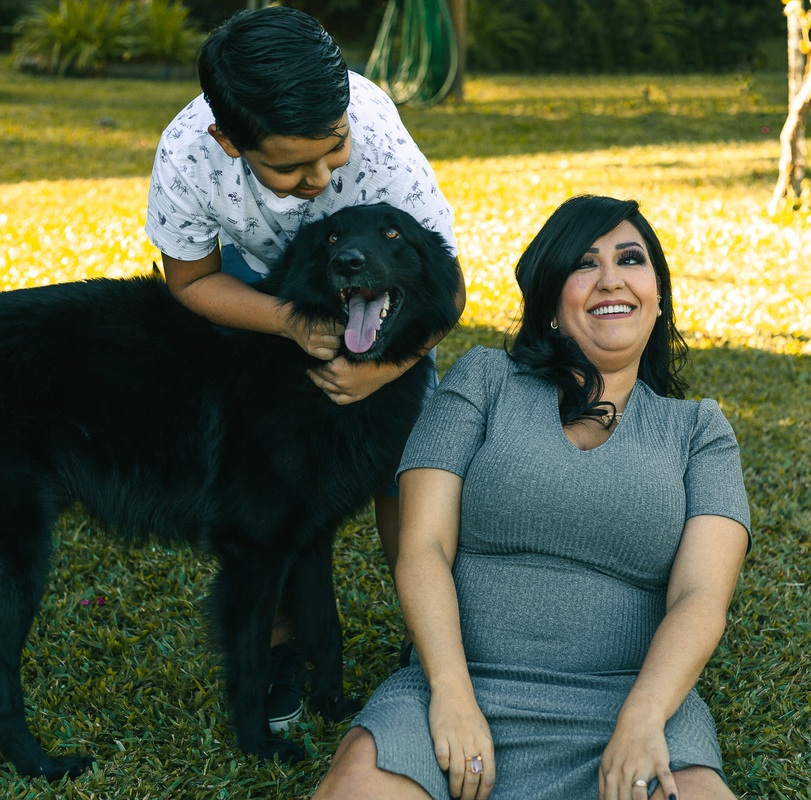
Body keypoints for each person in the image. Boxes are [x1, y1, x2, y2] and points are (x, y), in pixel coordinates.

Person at [312, 195, 751, 800]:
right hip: (460, 686)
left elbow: (701, 596)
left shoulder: (699, 431)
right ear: (549, 300)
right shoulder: (484, 380)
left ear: (657, 297)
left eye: (631, 260)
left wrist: (643, 718)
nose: (611, 279)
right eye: (584, 264)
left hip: (631, 700)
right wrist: (452, 693)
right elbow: (422, 546)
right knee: (358, 786)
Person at [144, 6, 464, 733]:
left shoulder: (377, 142)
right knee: (274, 476)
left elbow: (445, 292)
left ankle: (429, 629)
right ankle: (282, 641)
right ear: (229, 141)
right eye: (290, 166)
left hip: (384, 292)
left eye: (333, 151)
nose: (320, 177)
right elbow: (190, 282)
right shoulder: (189, 154)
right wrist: (290, 322)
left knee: (407, 467)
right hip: (257, 286)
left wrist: (383, 374)